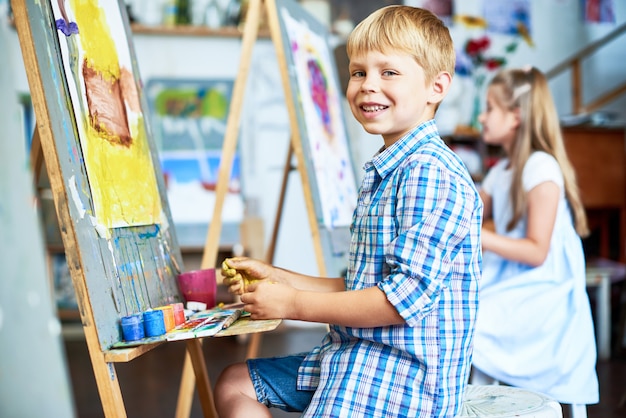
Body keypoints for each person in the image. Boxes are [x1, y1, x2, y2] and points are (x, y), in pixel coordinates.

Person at [213, 5, 483, 418]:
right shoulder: (390, 167)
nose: (367, 85)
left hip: (399, 381)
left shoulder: (429, 172)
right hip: (358, 355)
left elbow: (397, 302)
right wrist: (282, 279)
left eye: (388, 72)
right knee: (236, 382)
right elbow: (365, 283)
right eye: (358, 72)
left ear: (436, 86)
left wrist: (292, 305)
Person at [470, 66, 599, 417]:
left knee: (472, 319)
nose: (481, 117)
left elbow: (537, 251)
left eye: (489, 108)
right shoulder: (501, 171)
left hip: (544, 289)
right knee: (463, 309)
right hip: (517, 282)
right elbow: (471, 211)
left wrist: (481, 236)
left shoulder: (541, 167)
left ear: (516, 116)